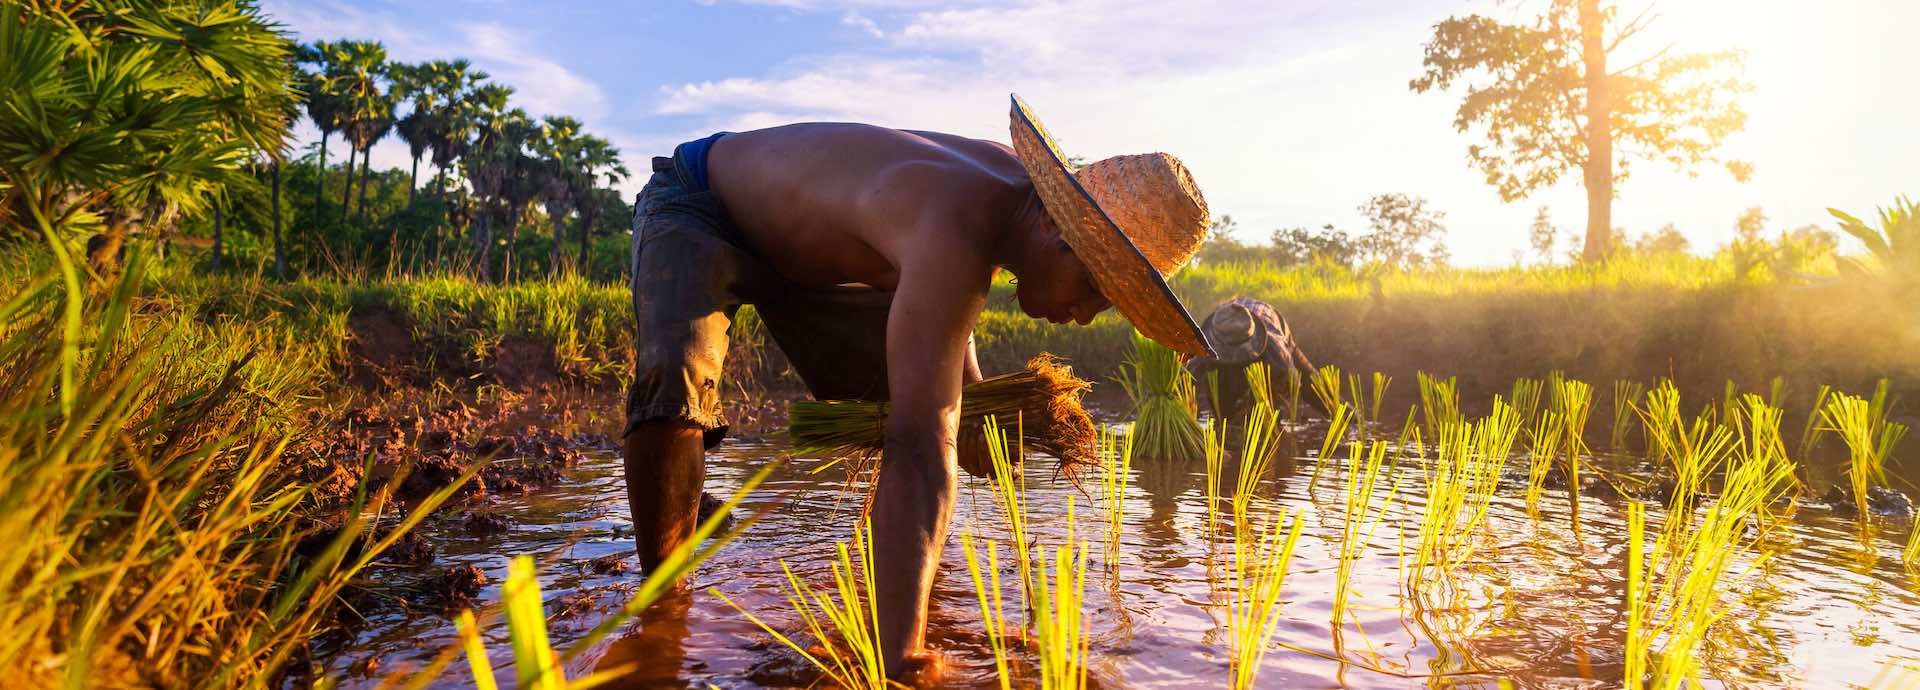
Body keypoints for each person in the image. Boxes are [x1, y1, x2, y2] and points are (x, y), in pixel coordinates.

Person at [623, 95, 1214, 678]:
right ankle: (663, 613)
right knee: (674, 395)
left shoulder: (1003, 202)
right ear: (1058, 230)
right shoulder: (957, 219)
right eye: (1092, 288)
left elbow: (951, 293)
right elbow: (922, 448)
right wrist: (901, 657)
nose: (1084, 315)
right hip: (703, 204)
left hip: (811, 264)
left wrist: (973, 398)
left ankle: (709, 507)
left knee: (907, 399)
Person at [1186, 297, 1324, 423]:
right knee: (1223, 409)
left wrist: (1258, 407)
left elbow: (1294, 383)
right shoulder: (1204, 349)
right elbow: (1186, 379)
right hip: (1229, 319)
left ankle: (1343, 414)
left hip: (1269, 320)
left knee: (1314, 386)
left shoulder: (1277, 354)